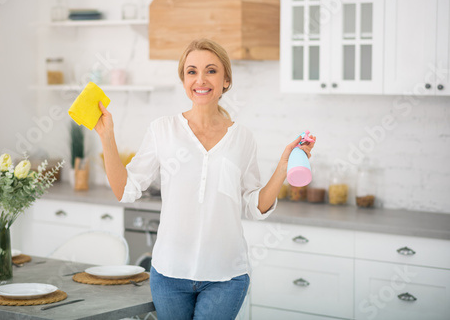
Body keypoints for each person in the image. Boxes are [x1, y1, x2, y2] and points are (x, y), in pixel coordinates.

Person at [95, 38, 315, 320]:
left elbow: (254, 205)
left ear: (226, 81)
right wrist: (107, 136)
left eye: (211, 70)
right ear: (184, 80)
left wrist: (283, 167)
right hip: (169, 274)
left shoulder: (242, 137)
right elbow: (125, 189)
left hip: (226, 276)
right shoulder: (163, 129)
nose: (201, 79)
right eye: (191, 71)